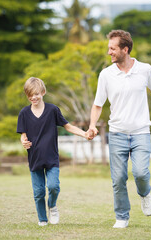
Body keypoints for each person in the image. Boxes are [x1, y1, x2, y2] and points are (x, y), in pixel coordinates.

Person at [88, 30, 151, 228]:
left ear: (125, 49)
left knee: (140, 173)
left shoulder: (145, 69)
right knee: (118, 179)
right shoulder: (106, 74)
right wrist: (92, 125)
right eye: (109, 48)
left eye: (112, 49)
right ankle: (122, 217)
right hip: (117, 134)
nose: (109, 52)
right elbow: (98, 104)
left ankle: (144, 193)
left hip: (140, 132)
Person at [17, 77, 93, 227]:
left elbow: (68, 126)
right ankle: (42, 219)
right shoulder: (24, 113)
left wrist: (84, 134)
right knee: (38, 192)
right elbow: (23, 134)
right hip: (35, 158)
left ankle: (52, 206)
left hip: (51, 157)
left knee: (53, 186)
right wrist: (23, 142)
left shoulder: (53, 110)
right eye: (30, 95)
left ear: (43, 92)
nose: (33, 97)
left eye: (36, 94)